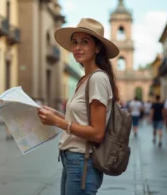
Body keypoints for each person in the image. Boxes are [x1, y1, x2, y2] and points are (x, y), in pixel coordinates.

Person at [37, 18, 120, 194]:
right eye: (74, 42)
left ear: (97, 48)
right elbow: (82, 120)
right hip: (71, 160)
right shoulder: (85, 79)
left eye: (85, 42)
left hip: (83, 161)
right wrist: (57, 116)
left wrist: (60, 123)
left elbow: (97, 133)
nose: (77, 47)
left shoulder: (97, 79)